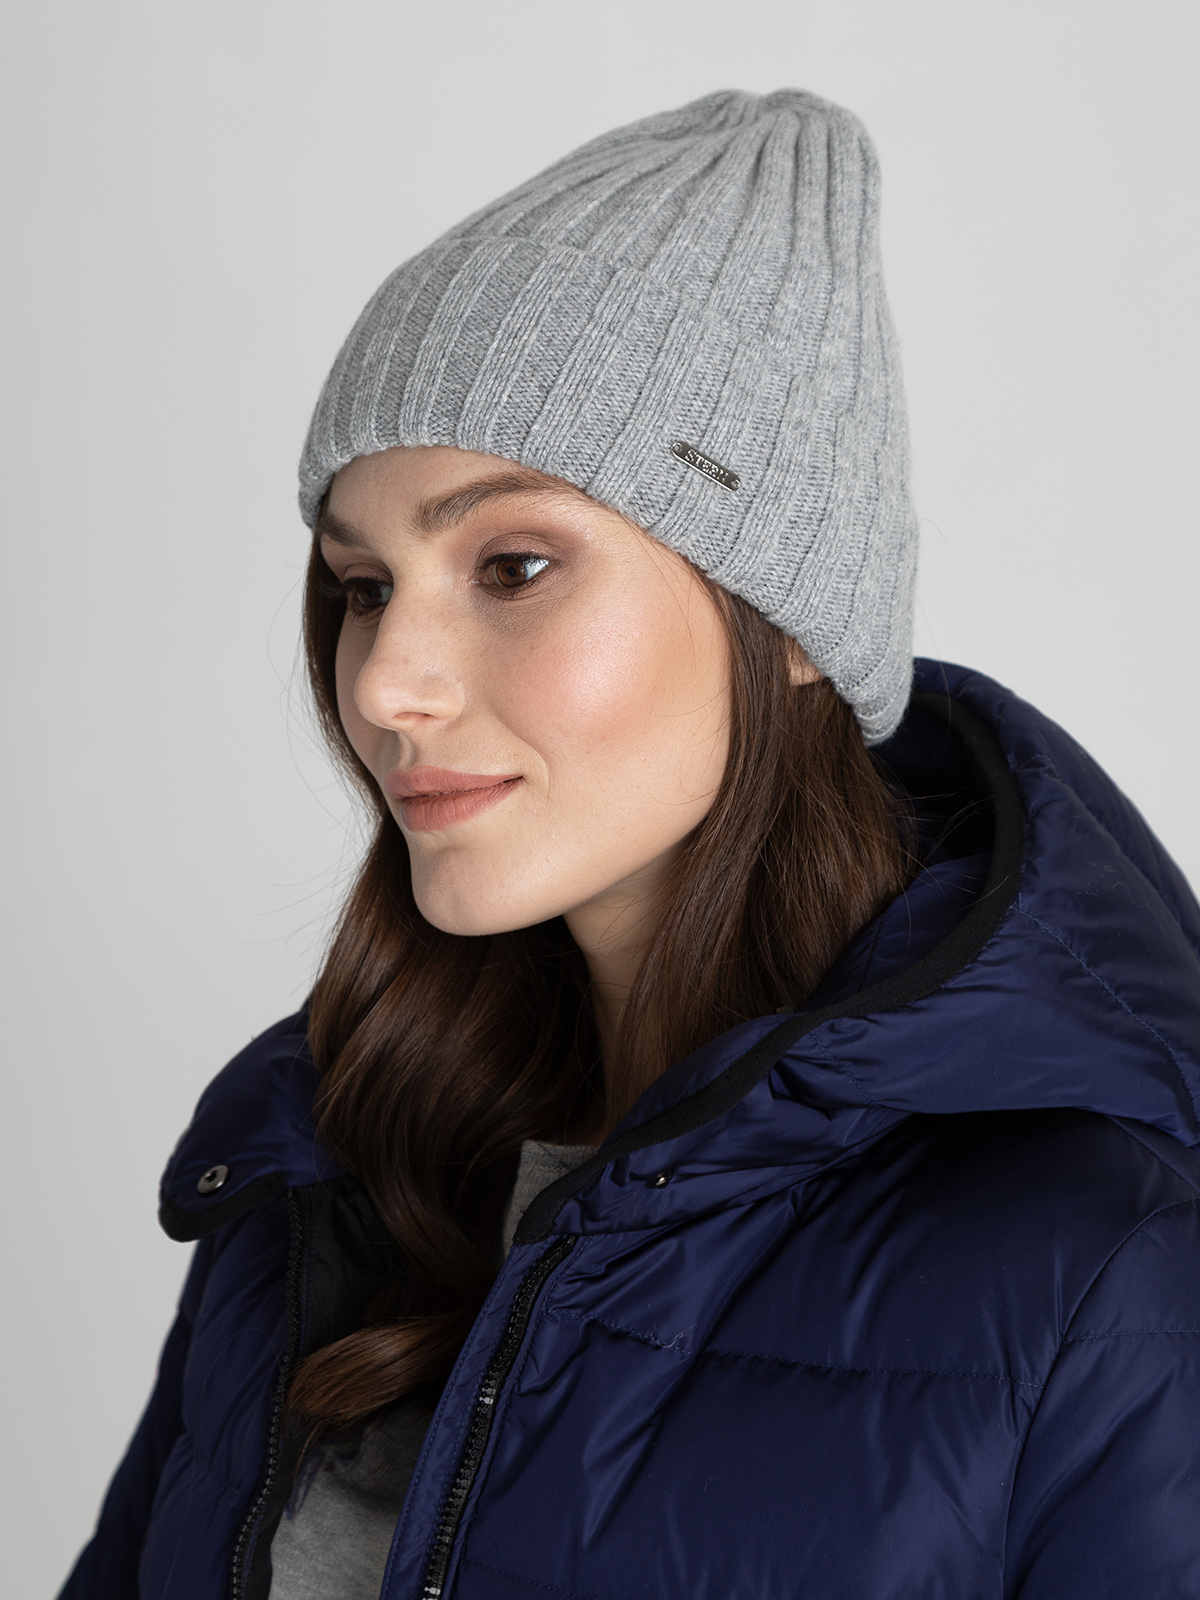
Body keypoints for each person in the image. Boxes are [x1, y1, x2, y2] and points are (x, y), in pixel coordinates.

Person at [61, 89, 1200, 1600]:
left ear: (787, 623)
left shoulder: (1104, 1267)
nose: (386, 683)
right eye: (363, 585)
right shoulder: (322, 1166)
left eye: (513, 565)